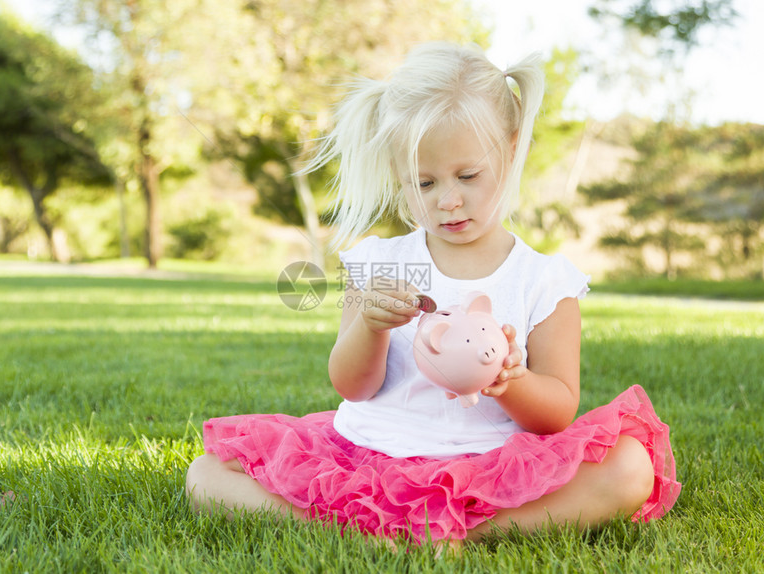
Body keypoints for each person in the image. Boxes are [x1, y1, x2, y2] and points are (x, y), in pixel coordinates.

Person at [186, 42, 680, 546]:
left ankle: (455, 527)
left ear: (512, 150)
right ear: (400, 178)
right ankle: (395, 527)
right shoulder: (378, 263)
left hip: (490, 468)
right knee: (207, 474)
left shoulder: (545, 280)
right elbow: (351, 385)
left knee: (629, 468)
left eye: (468, 175)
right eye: (423, 183)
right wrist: (370, 328)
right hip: (370, 455)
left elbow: (557, 412)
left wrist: (511, 379)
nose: (448, 200)